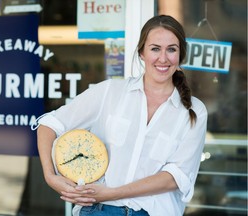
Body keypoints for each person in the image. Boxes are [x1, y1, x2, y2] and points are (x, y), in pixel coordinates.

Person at [33, 15, 208, 216]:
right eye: (155, 48)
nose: (163, 58)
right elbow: (49, 124)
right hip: (98, 210)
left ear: (180, 55)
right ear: (141, 52)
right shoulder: (109, 92)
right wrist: (50, 175)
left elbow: (175, 177)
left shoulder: (194, 112)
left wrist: (111, 194)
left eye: (171, 49)